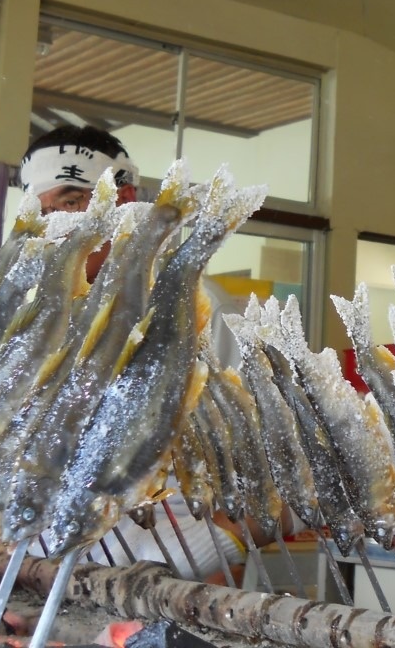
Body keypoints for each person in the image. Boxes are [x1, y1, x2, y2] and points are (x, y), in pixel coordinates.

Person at [19, 125, 255, 584]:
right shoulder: (42, 318)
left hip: (169, 581)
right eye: (43, 212)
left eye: (71, 203)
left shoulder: (199, 310)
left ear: (124, 199)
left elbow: (247, 462)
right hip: (45, 581)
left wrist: (218, 554)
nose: (57, 228)